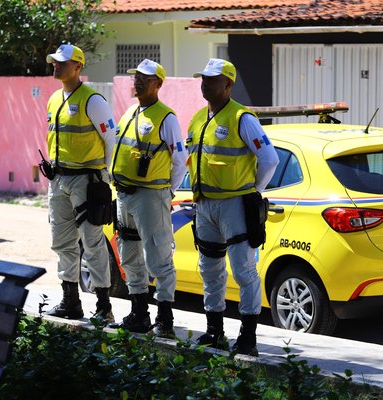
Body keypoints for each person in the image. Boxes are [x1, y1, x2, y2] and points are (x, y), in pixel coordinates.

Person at [187, 58, 279, 356]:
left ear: (228, 85)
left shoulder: (242, 118)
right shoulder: (199, 118)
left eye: (211, 80)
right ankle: (214, 331)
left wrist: (253, 192)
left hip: (235, 206)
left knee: (243, 271)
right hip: (205, 205)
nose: (204, 83)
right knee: (209, 269)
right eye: (203, 78)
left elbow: (270, 159)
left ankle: (248, 337)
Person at [108, 59, 187, 338]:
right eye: (136, 77)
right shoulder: (130, 112)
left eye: (145, 78)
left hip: (151, 197)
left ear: (158, 85)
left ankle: (164, 319)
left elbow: (180, 160)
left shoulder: (166, 117)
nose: (138, 81)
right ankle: (138, 313)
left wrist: (167, 192)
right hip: (125, 195)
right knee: (129, 255)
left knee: (159, 257)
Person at [43, 43, 116, 322]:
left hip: (87, 181)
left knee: (92, 241)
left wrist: (104, 176)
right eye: (54, 62)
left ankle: (103, 306)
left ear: (78, 66)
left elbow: (111, 140)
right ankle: (71, 301)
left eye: (61, 62)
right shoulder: (53, 99)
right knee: (62, 242)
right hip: (59, 179)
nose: (56, 65)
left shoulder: (92, 100)